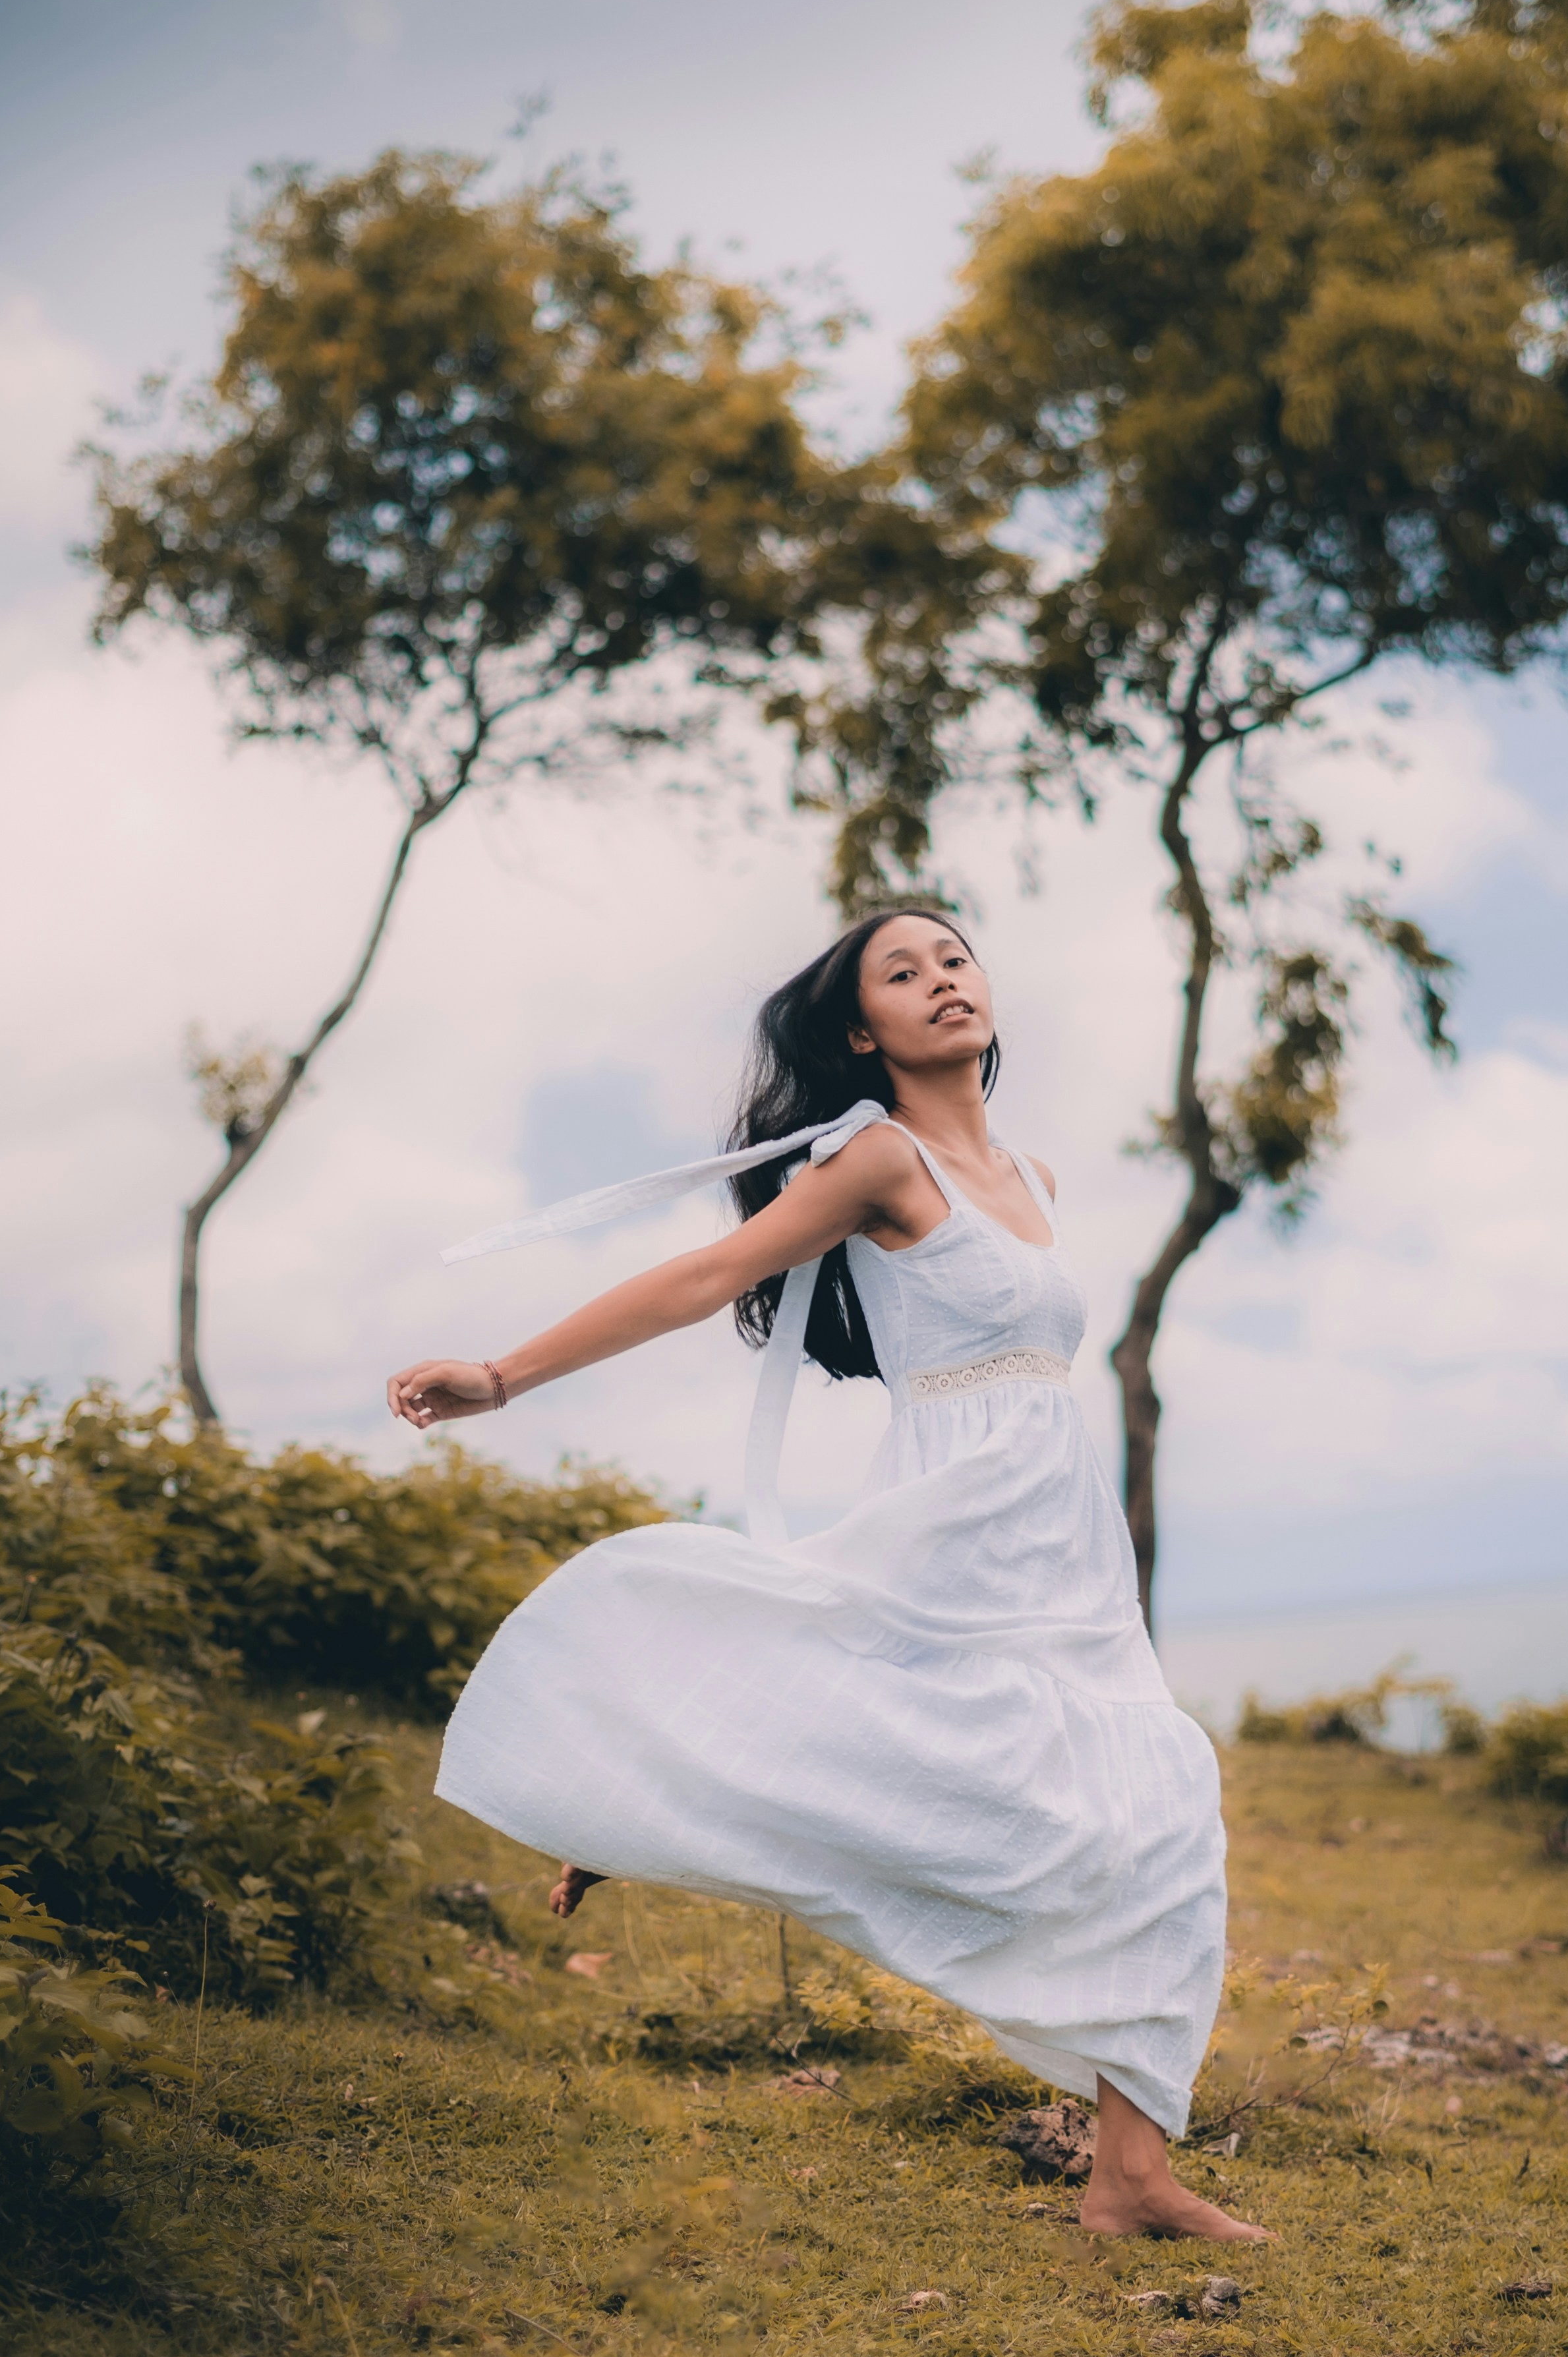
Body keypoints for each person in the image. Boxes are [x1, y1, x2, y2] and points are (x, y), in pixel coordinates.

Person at [388, 902, 1257, 2245]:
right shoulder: (878, 1157)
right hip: (958, 1518)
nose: (940, 981)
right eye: (902, 974)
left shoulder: (1033, 1174)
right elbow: (710, 1272)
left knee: (1159, 1802)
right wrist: (502, 1376)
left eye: (954, 959)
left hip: (1063, 1539)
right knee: (968, 1752)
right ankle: (643, 1787)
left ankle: (1129, 2174)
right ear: (865, 1030)